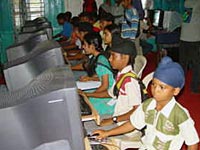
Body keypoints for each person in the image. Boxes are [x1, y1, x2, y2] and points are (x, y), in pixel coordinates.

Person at [93, 56, 199, 150]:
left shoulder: (180, 115)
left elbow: (193, 143)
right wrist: (107, 133)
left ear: (175, 91)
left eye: (162, 87)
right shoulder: (148, 105)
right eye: (153, 84)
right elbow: (132, 124)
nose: (155, 90)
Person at [87, 37, 141, 129]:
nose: (110, 59)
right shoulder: (121, 75)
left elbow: (137, 110)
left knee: (88, 127)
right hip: (117, 116)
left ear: (124, 58)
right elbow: (109, 93)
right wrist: (87, 94)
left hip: (124, 124)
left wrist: (113, 119)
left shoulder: (130, 81)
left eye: (113, 56)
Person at [80, 32, 115, 115]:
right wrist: (91, 79)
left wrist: (89, 94)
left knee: (87, 101)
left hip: (110, 92)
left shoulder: (101, 60)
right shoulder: (98, 56)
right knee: (84, 94)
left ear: (92, 46)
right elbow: (103, 77)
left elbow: (105, 86)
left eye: (85, 44)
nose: (83, 47)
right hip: (105, 87)